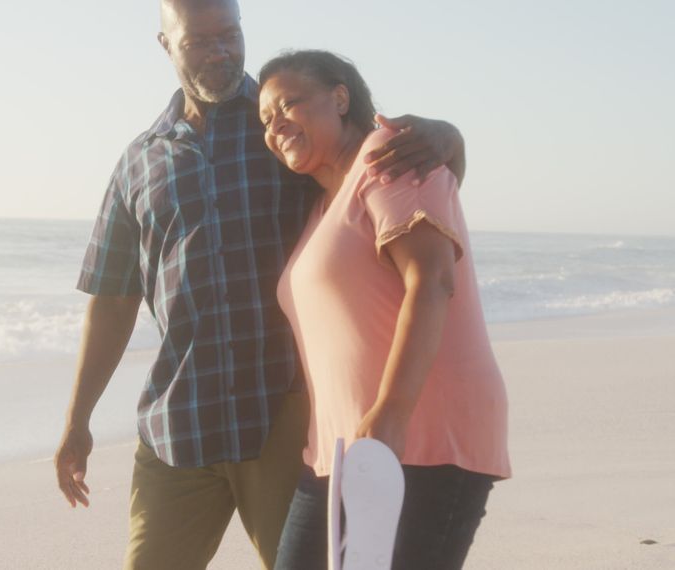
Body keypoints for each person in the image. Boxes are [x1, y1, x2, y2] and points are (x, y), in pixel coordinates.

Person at [54, 0, 467, 567]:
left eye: (230, 34)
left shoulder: (288, 123)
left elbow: (380, 171)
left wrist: (448, 136)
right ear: (166, 44)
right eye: (200, 41)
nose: (220, 51)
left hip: (285, 414)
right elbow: (112, 297)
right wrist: (79, 419)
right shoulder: (138, 162)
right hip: (180, 422)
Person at [257, 50, 510, 570]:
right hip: (341, 450)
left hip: (421, 437)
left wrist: (391, 414)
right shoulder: (322, 207)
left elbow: (433, 279)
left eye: (288, 104)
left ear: (341, 97)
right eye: (265, 119)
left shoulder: (388, 156)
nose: (275, 124)